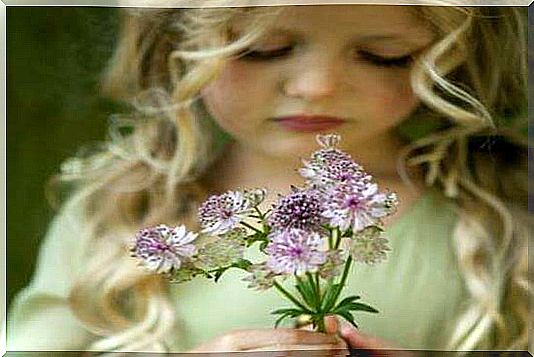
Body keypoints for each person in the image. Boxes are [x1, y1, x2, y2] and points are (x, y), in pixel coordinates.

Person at [7, 2, 530, 354]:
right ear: (175, 45)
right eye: (261, 48)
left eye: (382, 56)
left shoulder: (504, 211)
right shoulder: (122, 214)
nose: (317, 86)